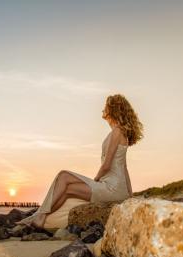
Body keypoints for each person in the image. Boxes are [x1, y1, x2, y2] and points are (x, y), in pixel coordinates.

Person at [17, 94, 144, 229]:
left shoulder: (117, 131)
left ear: (112, 109)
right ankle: (40, 216)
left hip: (110, 188)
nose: (103, 109)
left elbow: (106, 165)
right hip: (116, 188)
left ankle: (39, 215)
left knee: (64, 175)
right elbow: (124, 167)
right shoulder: (119, 132)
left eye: (106, 106)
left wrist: (96, 179)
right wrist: (129, 194)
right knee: (67, 189)